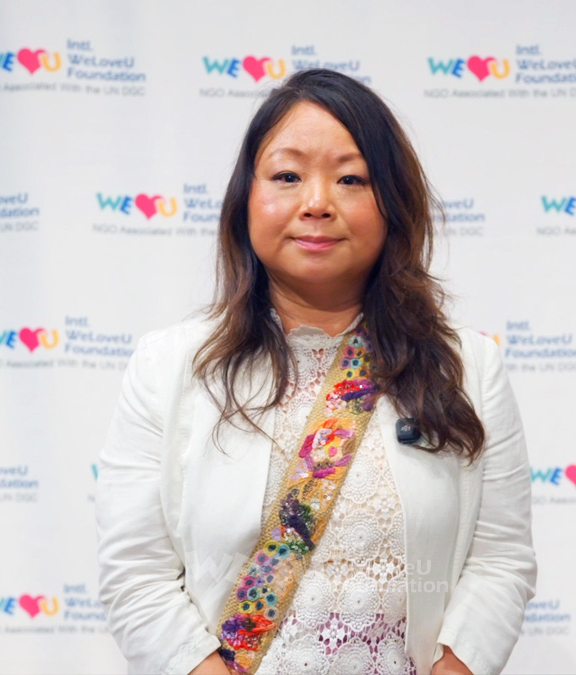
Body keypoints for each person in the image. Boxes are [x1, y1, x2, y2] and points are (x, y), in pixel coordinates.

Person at [96, 69, 536, 675]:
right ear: (245, 200)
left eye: (351, 179)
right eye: (287, 176)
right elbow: (135, 576)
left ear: (393, 204)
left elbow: (500, 564)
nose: (317, 203)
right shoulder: (170, 367)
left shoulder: (466, 367)